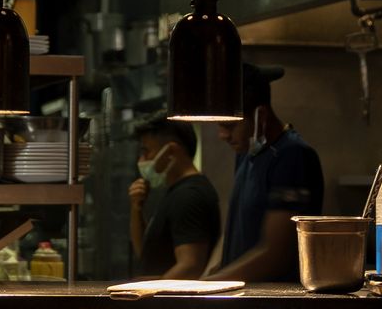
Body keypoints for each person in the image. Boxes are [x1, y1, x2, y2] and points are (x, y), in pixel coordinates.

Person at [206, 64, 323, 283]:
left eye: (229, 126)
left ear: (261, 115)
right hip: (241, 295)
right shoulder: (246, 154)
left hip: (274, 301)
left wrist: (214, 284)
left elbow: (275, 254)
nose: (222, 134)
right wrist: (211, 274)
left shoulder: (292, 156)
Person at [126, 114, 221, 279]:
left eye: (147, 151)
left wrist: (149, 297)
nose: (142, 160)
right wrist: (136, 208)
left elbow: (190, 266)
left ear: (171, 151)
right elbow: (145, 253)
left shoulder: (189, 195)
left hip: (171, 303)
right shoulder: (176, 191)